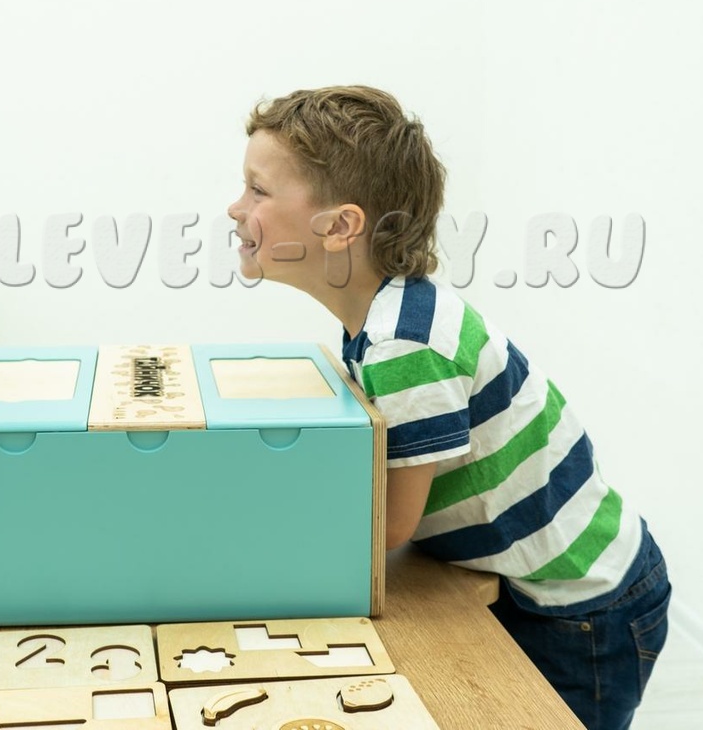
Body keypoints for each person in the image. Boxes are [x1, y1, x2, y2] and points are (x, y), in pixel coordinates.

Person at [226, 84, 670, 730]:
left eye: (257, 190)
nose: (236, 208)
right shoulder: (382, 319)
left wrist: (260, 547)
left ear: (340, 227)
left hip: (585, 603)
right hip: (527, 579)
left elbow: (389, 526)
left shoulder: (406, 344)